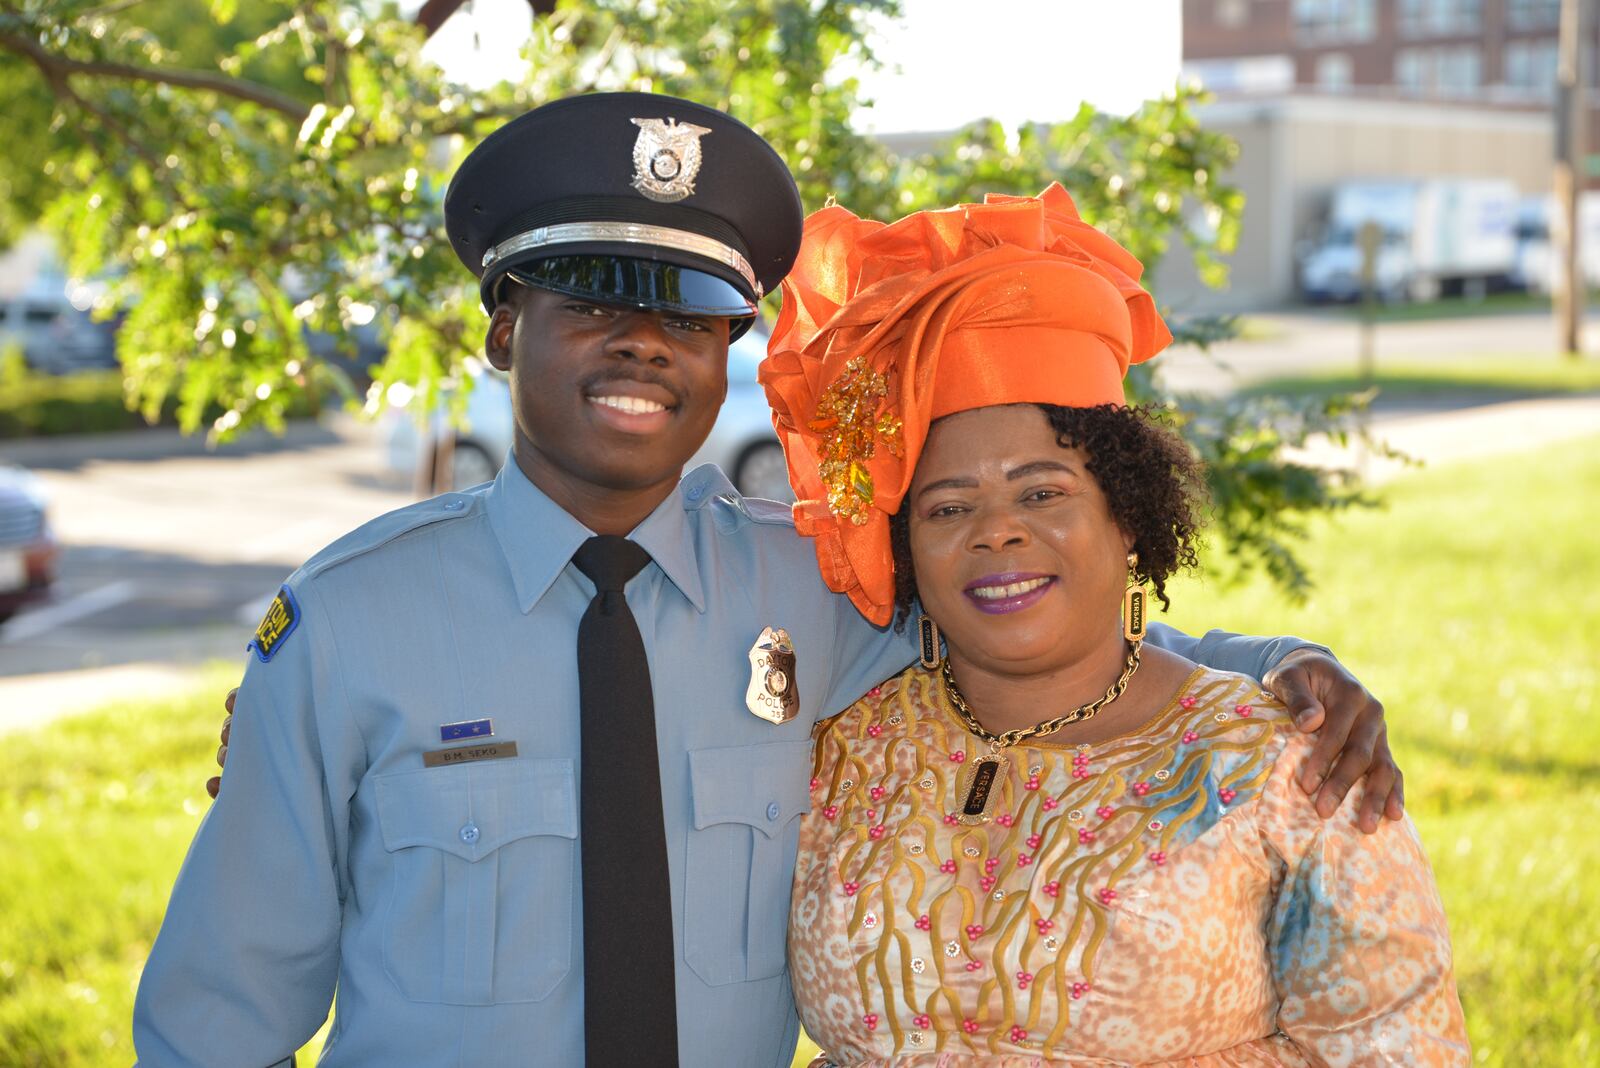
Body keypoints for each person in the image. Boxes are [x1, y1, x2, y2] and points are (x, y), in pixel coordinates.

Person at [142, 93, 1401, 1068]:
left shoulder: (814, 595)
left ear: (727, 351)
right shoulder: (353, 624)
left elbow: (1038, 626)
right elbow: (217, 1019)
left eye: (691, 316)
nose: (645, 342)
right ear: (501, 329)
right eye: (589, 301)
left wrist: (1280, 669)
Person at [767, 187, 1467, 1064]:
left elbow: (1395, 1045)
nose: (997, 531)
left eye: (1042, 493)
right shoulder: (839, 752)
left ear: (1128, 514)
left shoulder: (1290, 768)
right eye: (948, 508)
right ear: (904, 546)